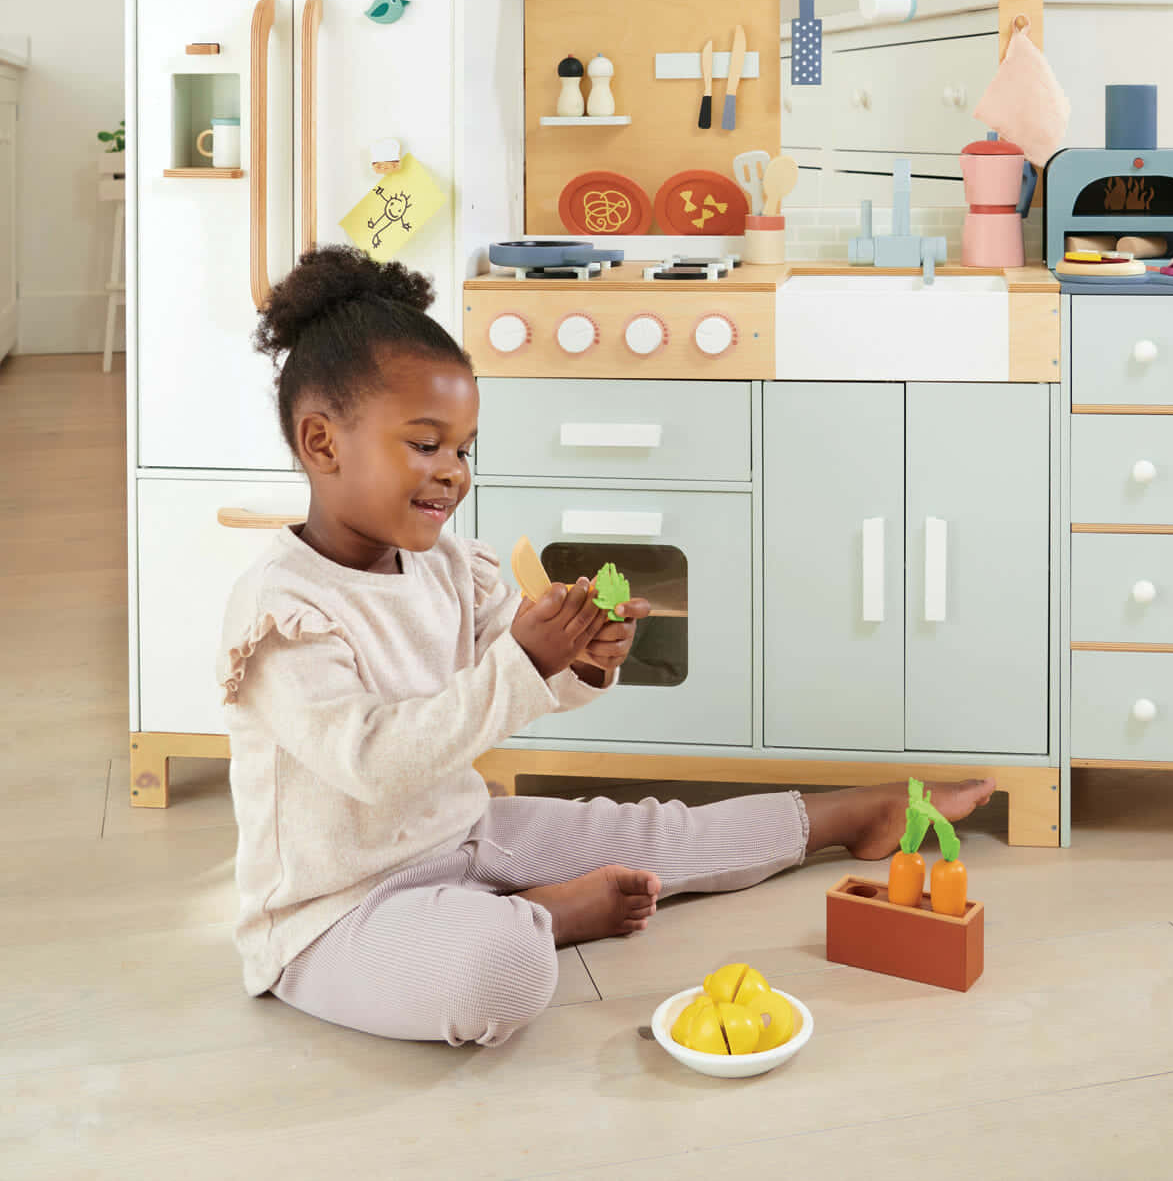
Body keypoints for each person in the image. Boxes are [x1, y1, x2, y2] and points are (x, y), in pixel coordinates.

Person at [220, 244, 994, 1047]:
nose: (452, 472)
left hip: (462, 835)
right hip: (340, 911)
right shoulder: (283, 614)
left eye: (464, 449)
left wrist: (580, 657)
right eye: (425, 444)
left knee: (656, 830)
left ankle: (847, 814)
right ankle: (540, 917)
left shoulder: (451, 565)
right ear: (322, 443)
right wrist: (524, 660)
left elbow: (512, 681)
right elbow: (374, 764)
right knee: (501, 973)